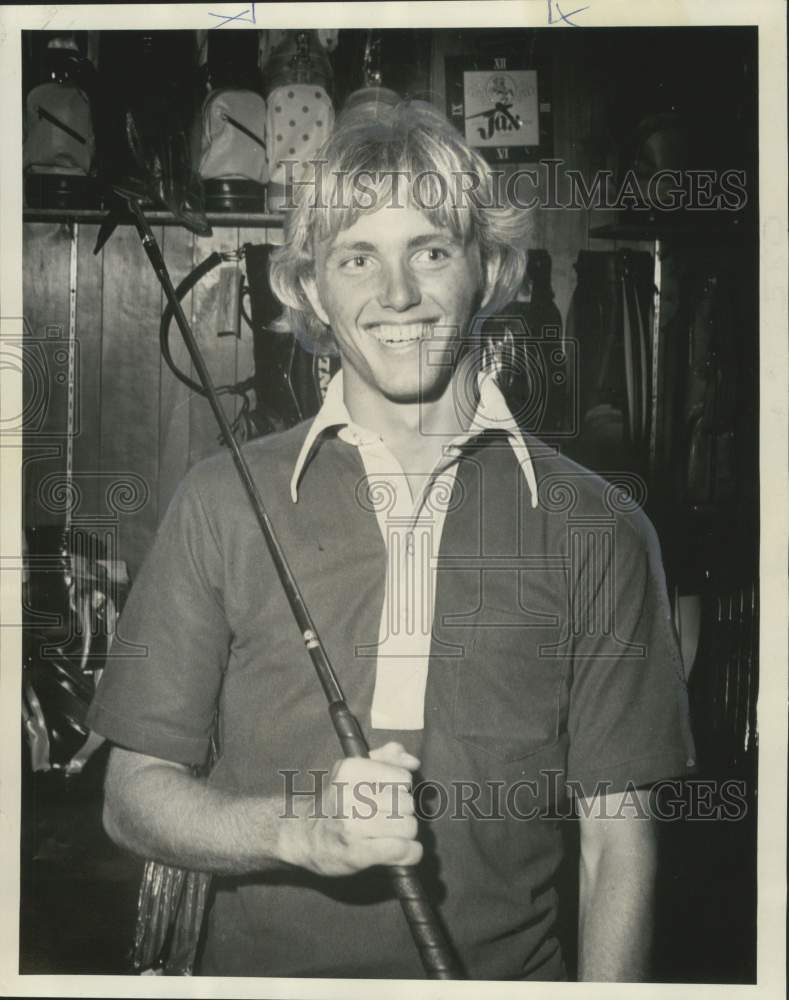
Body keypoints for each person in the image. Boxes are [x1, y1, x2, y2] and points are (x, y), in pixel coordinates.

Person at [87, 95, 695, 981]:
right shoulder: (221, 500)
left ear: (489, 274)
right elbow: (131, 799)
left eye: (431, 251)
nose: (397, 295)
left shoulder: (601, 529)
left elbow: (617, 844)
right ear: (307, 291)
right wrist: (297, 832)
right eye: (356, 258)